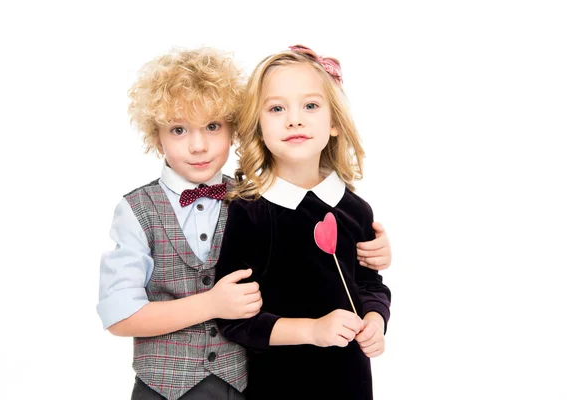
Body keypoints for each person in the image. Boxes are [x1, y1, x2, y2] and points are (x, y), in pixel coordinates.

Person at [97, 46, 392, 400]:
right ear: (154, 135)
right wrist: (212, 304)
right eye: (178, 129)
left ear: (236, 129)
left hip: (242, 384)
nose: (198, 145)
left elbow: (358, 277)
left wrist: (376, 260)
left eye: (212, 126)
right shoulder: (141, 209)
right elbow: (119, 313)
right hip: (164, 388)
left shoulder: (248, 198)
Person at [214, 45, 392, 400]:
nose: (294, 119)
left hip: (351, 383)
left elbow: (370, 284)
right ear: (258, 127)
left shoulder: (355, 210)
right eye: (277, 108)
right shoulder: (248, 212)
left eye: (310, 106)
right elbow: (234, 319)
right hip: (279, 385)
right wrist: (312, 330)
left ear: (335, 123)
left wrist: (375, 319)